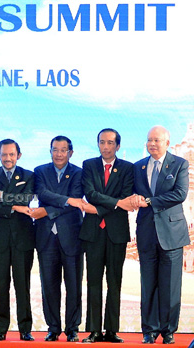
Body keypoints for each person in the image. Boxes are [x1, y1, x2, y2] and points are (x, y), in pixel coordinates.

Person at [131, 126, 189, 345]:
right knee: (148, 284)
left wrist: (149, 201)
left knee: (171, 285)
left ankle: (169, 330)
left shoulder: (180, 164)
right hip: (146, 232)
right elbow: (131, 193)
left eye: (156, 140)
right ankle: (149, 330)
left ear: (167, 142)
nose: (152, 144)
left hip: (172, 234)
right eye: (149, 140)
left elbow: (180, 194)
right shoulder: (138, 167)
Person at [31, 135, 91, 342]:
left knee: (74, 284)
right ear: (50, 151)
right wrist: (66, 201)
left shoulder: (78, 173)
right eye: (55, 150)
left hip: (72, 236)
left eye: (63, 150)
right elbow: (43, 193)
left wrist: (46, 211)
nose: (58, 154)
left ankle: (72, 328)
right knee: (49, 285)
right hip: (46, 237)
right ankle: (53, 328)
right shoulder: (39, 172)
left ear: (70, 153)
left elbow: (75, 199)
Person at [80, 129, 134, 343]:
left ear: (117, 146)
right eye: (102, 142)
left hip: (116, 233)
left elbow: (126, 197)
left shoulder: (128, 168)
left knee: (114, 282)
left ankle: (111, 330)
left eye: (110, 143)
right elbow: (90, 194)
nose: (105, 146)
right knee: (93, 281)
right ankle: (94, 330)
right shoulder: (88, 165)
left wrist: (100, 209)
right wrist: (116, 204)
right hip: (93, 232)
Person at [0, 139, 36, 342]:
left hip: (23, 239)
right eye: (4, 154)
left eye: (12, 154)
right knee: (0, 285)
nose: (8, 158)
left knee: (23, 285)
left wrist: (0, 197)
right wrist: (14, 207)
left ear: (18, 156)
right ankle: (0, 329)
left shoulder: (29, 176)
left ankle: (25, 329)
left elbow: (26, 199)